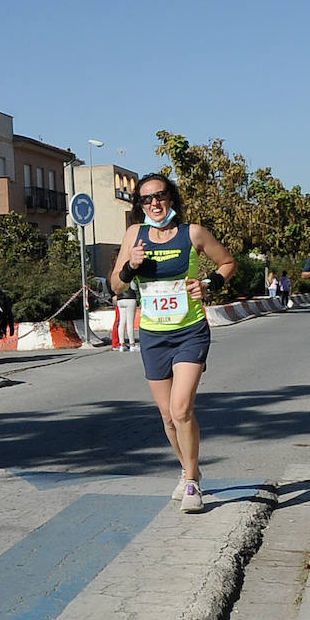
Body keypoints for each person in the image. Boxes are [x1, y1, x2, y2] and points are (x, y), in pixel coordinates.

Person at [109, 172, 236, 513]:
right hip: (153, 335)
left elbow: (227, 262)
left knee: (182, 409)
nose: (154, 203)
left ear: (172, 198)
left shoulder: (191, 233)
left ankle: (193, 483)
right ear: (140, 206)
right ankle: (187, 468)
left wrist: (208, 283)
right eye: (147, 199)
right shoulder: (134, 235)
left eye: (160, 196)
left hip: (190, 331)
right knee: (167, 416)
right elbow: (115, 286)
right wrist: (130, 268)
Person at [114, 269, 139, 352]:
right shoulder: (130, 278)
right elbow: (134, 287)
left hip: (120, 300)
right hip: (130, 298)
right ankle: (132, 344)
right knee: (130, 323)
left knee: (122, 322)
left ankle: (122, 344)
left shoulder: (118, 278)